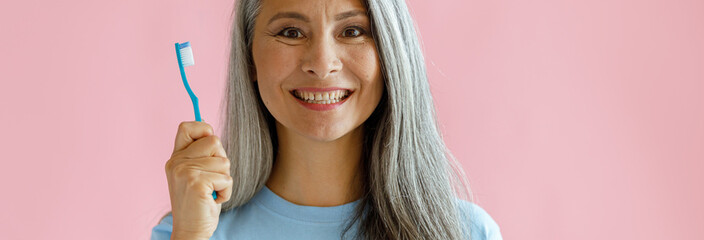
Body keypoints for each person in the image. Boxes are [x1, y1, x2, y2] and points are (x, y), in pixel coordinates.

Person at [153, 0, 502, 239]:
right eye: (291, 32)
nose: (322, 63)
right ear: (249, 59)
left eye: (352, 31)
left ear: (391, 53)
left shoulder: (464, 233)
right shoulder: (187, 231)